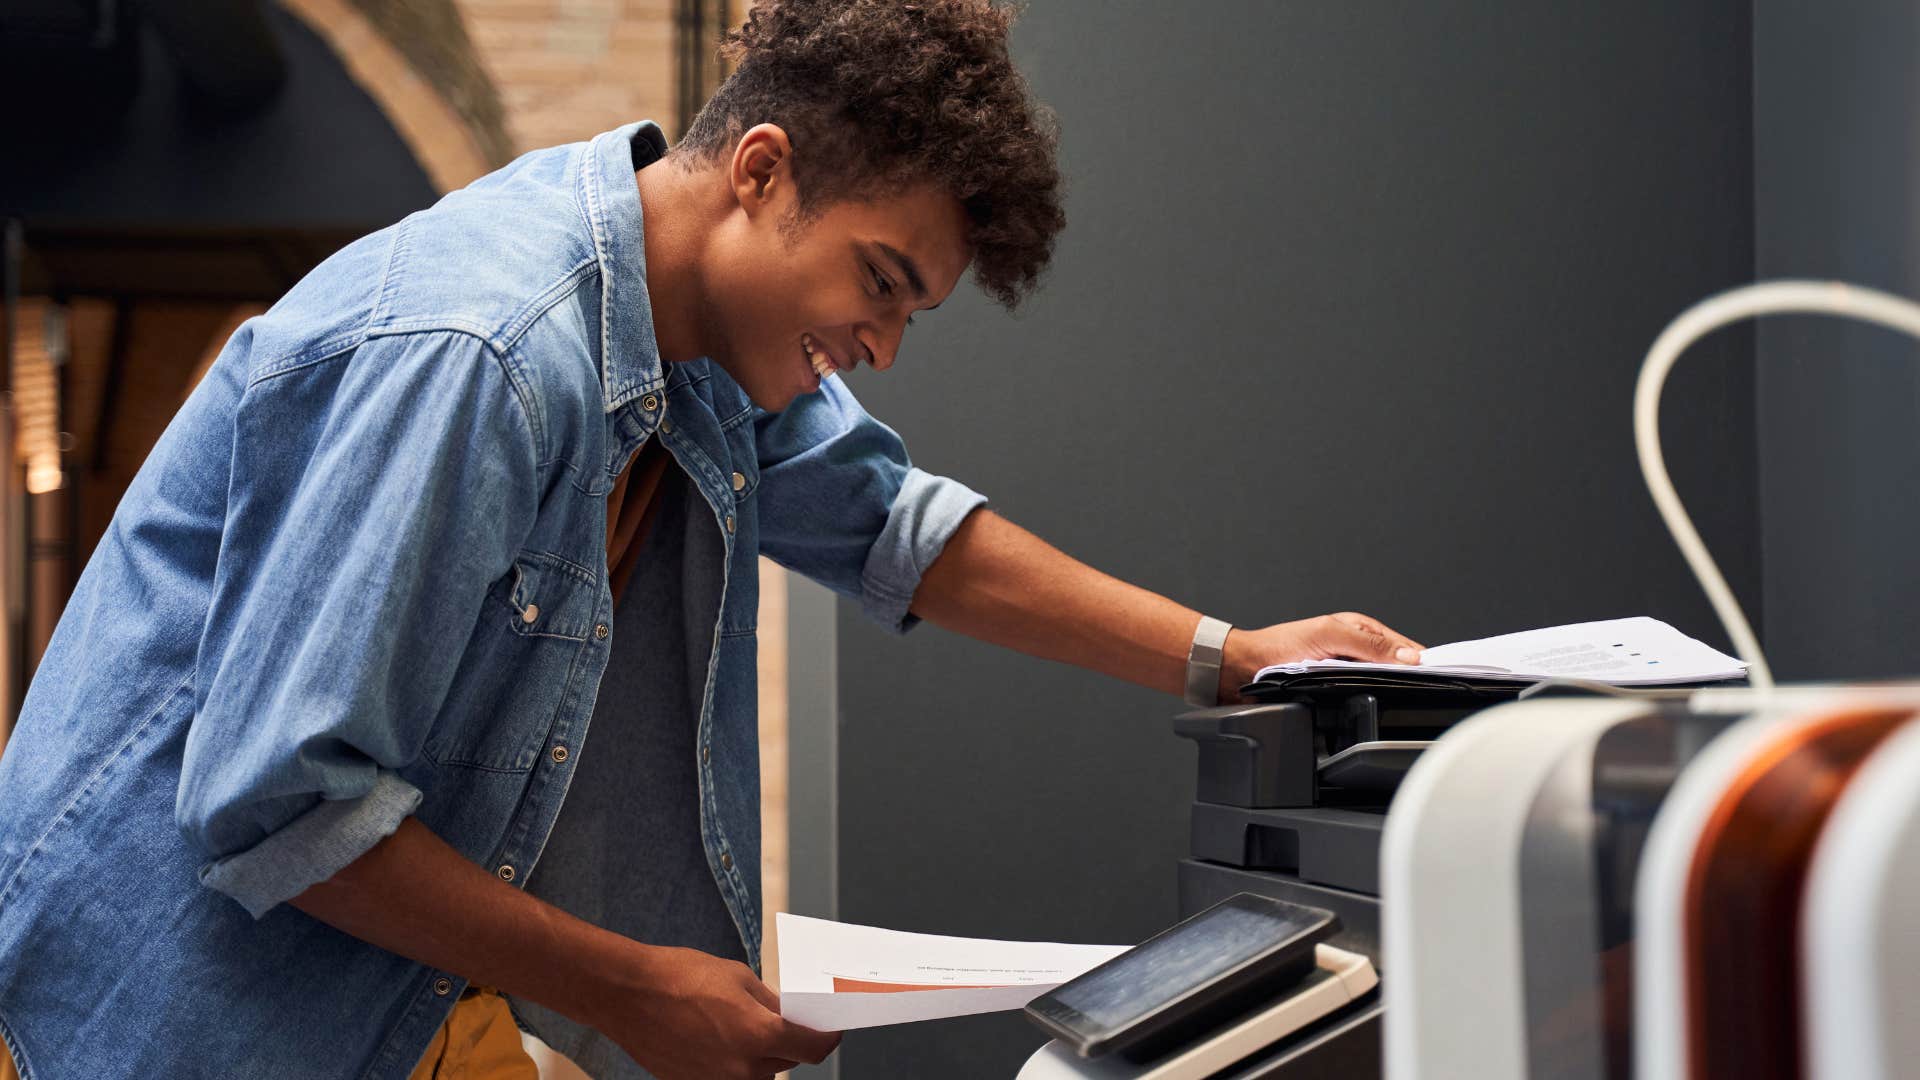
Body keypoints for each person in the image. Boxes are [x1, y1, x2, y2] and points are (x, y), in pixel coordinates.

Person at [0, 1, 1420, 1078]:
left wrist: (1230, 655)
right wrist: (634, 987)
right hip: (151, 1020)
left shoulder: (702, 357)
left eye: (913, 311)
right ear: (759, 168)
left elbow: (897, 529)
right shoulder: (485, 354)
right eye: (882, 281)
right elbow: (279, 802)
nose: (883, 341)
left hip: (385, 1000)